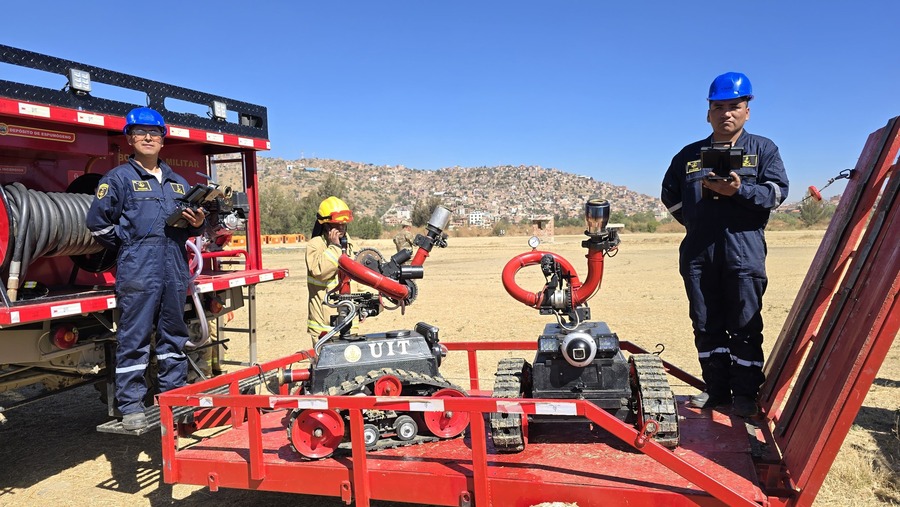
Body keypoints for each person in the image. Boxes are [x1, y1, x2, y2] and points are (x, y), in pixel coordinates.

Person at [660, 72, 789, 418]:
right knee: (706, 323)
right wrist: (694, 222)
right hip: (699, 254)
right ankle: (715, 389)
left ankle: (746, 395)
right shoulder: (689, 156)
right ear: (708, 112)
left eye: (734, 106)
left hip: (743, 251)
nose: (726, 113)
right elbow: (669, 194)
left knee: (745, 323)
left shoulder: (763, 149)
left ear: (748, 110)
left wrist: (739, 191)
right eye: (718, 107)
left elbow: (777, 193)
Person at [87, 107, 207, 431]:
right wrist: (128, 243)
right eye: (140, 132)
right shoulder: (118, 179)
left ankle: (174, 399)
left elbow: (192, 227)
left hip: (174, 266)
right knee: (134, 337)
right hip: (138, 268)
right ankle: (131, 406)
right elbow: (97, 225)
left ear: (163, 140)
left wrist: (198, 223)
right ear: (130, 138)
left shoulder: (179, 184)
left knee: (174, 337)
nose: (148, 137)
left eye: (154, 132)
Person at [306, 196, 356, 344]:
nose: (341, 228)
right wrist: (335, 247)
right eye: (337, 225)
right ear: (326, 225)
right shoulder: (315, 245)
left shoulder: (351, 245)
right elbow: (320, 272)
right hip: (324, 326)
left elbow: (358, 279)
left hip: (349, 320)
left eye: (343, 224)